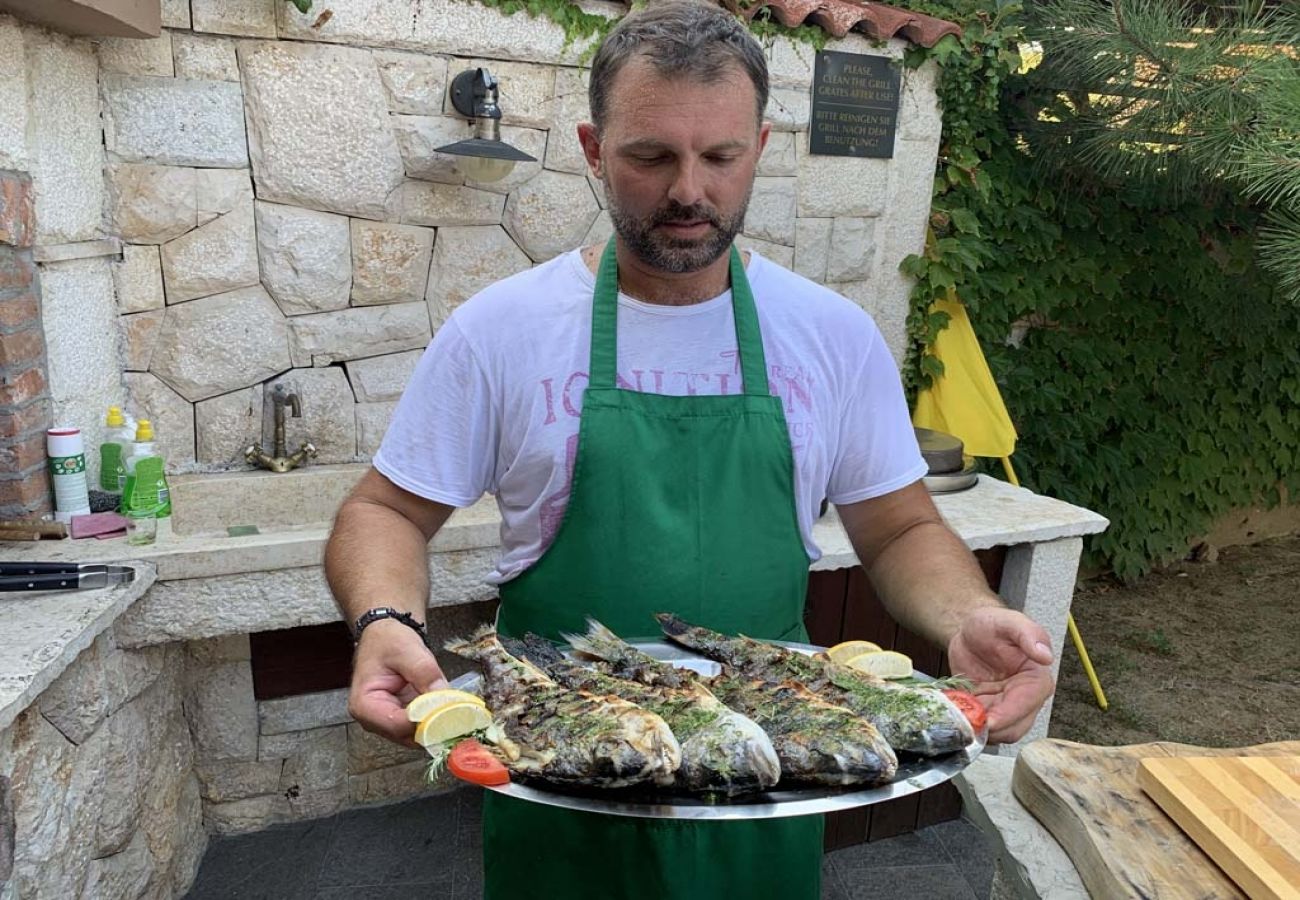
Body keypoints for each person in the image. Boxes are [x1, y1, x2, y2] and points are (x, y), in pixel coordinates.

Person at [324, 2, 1055, 897]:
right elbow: (385, 511)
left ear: (760, 145)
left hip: (771, 764)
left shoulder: (832, 334)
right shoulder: (501, 331)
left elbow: (900, 527)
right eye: (650, 156)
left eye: (720, 156)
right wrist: (384, 623)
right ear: (594, 151)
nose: (688, 191)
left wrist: (965, 616)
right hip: (561, 774)